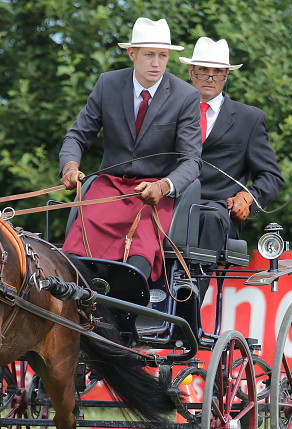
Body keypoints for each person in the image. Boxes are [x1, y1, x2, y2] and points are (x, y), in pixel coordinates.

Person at [59, 17, 202, 281]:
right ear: (132, 53)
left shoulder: (185, 96)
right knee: (74, 261)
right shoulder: (107, 84)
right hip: (108, 188)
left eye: (163, 55)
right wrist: (70, 166)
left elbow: (192, 161)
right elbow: (77, 136)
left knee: (138, 261)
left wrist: (162, 187)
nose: (157, 63)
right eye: (149, 55)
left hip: (153, 193)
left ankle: (131, 312)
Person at [180, 37, 284, 254]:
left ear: (227, 75)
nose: (210, 77)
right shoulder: (170, 111)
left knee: (210, 217)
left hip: (217, 212)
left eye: (217, 71)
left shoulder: (249, 119)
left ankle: (191, 289)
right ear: (191, 72)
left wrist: (248, 197)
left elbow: (271, 177)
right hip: (173, 201)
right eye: (203, 70)